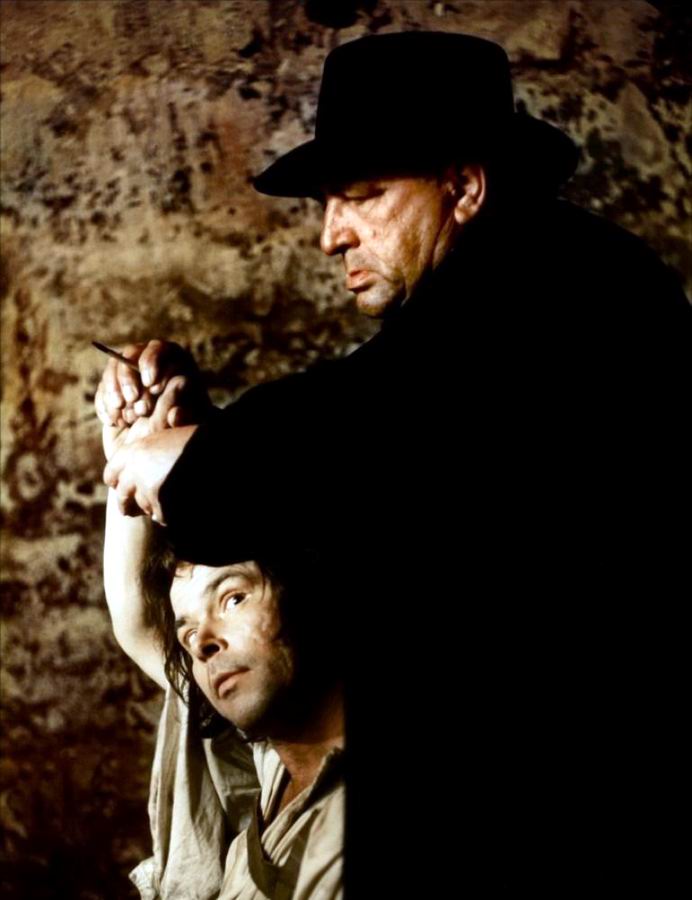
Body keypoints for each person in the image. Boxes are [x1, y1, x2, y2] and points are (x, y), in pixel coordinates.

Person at [96, 32, 690, 894]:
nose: (331, 236)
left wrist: (199, 459)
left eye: (363, 196)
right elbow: (400, 454)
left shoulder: (554, 290)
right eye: (327, 204)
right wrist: (196, 434)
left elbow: (374, 414)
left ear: (464, 188)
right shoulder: (510, 313)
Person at [102, 408, 345, 900]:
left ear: (310, 588)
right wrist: (136, 445)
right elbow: (140, 620)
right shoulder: (273, 760)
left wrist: (206, 452)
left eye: (233, 598)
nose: (204, 642)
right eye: (188, 634)